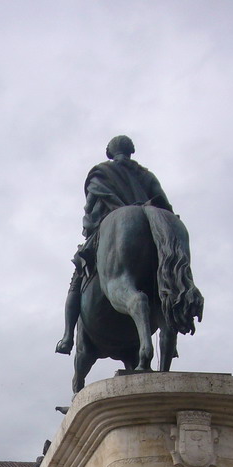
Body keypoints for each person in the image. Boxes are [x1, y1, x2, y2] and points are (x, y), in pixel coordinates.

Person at [56, 135, 175, 355]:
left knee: (77, 277)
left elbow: (91, 207)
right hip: (152, 229)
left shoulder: (101, 172)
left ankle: (67, 337)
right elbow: (164, 206)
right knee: (167, 277)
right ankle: (171, 331)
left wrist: (90, 228)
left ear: (110, 152)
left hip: (110, 230)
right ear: (131, 151)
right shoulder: (146, 175)